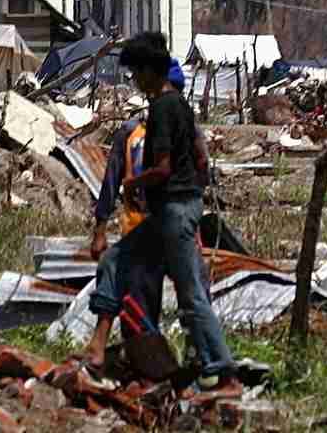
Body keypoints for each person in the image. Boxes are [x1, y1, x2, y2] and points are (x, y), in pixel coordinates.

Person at [79, 33, 240, 395]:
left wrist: (134, 183)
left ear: (152, 71)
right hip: (173, 211)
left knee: (192, 295)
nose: (135, 80)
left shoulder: (163, 109)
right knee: (115, 261)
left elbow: (165, 167)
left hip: (174, 212)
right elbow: (199, 161)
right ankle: (97, 349)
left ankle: (224, 373)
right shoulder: (180, 106)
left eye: (137, 73)